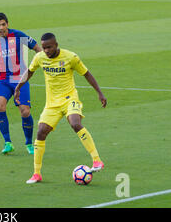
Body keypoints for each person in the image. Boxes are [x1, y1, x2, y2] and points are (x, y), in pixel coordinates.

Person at [13, 33, 106, 184]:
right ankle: (37, 174)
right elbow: (29, 72)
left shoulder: (70, 57)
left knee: (75, 123)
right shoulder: (40, 57)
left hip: (70, 99)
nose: (47, 51)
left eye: (49, 47)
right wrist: (18, 88)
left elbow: (87, 74)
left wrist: (99, 93)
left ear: (56, 45)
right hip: (52, 104)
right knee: (41, 132)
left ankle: (96, 161)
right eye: (44, 48)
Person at [0, 13, 42, 155]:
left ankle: (29, 143)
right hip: (3, 80)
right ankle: (8, 143)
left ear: (7, 24)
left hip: (20, 79)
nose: (1, 28)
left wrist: (43, 62)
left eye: (3, 24)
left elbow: (37, 48)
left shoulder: (19, 35)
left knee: (25, 111)